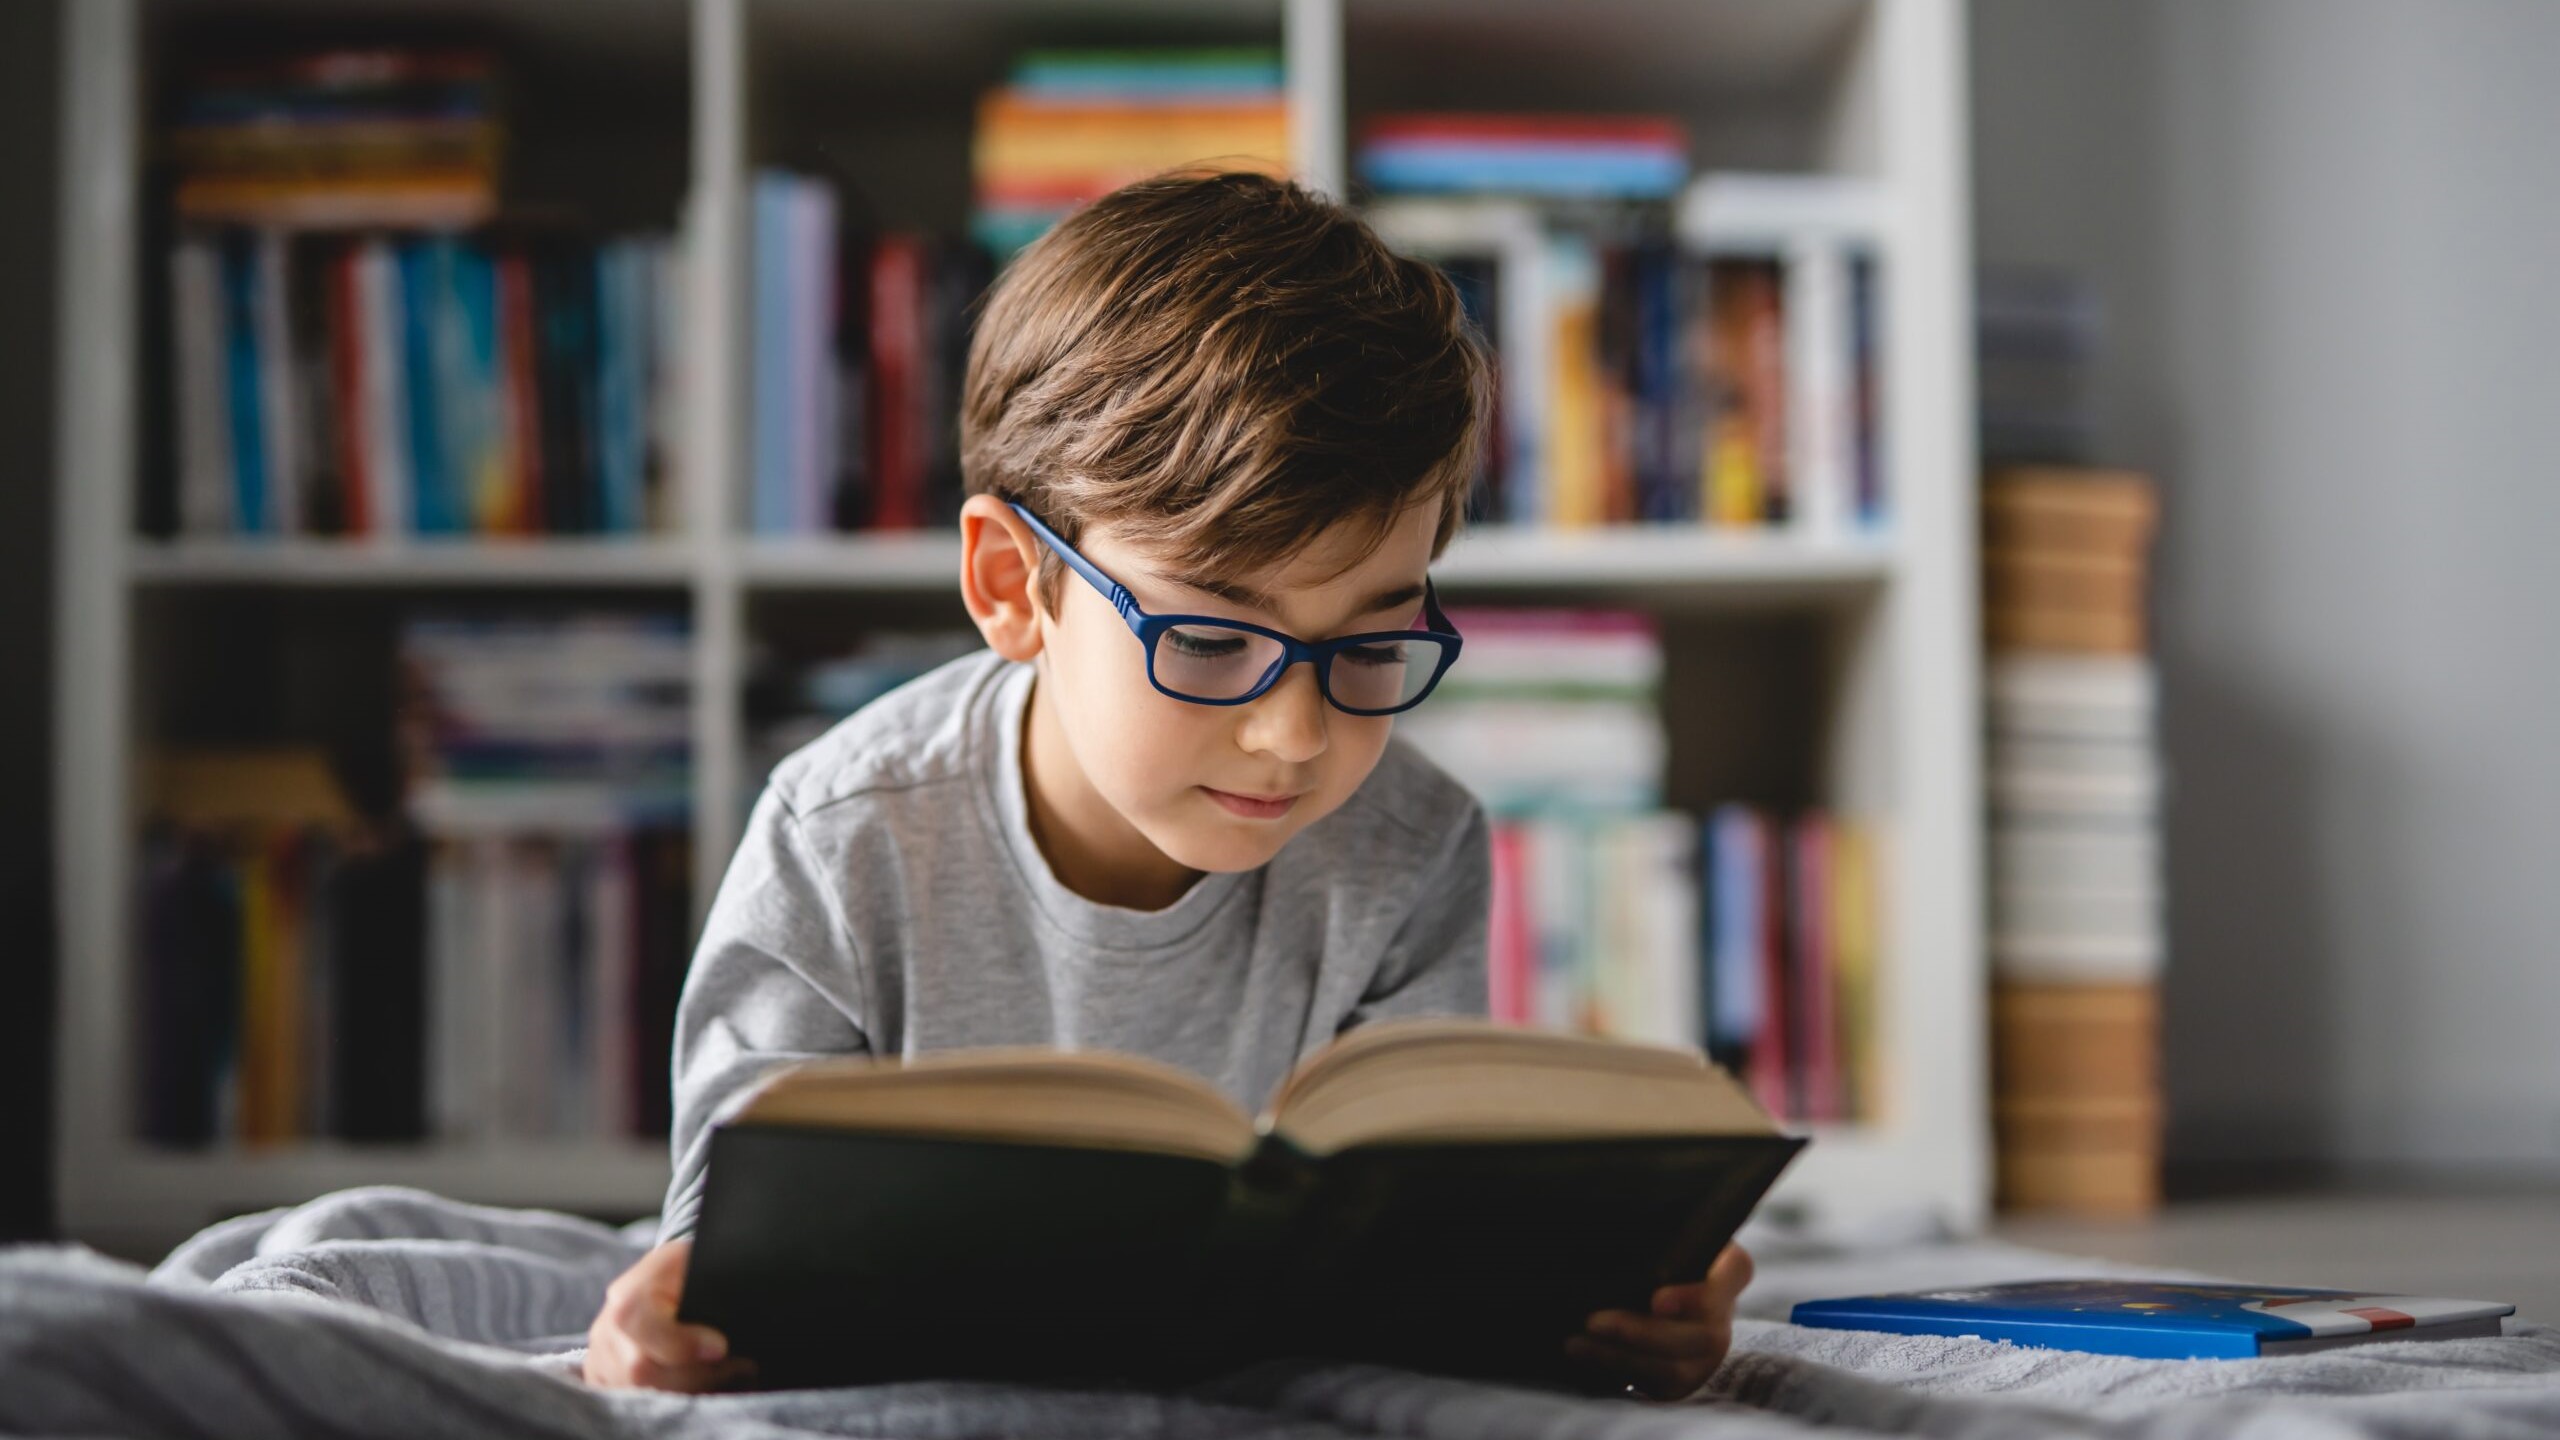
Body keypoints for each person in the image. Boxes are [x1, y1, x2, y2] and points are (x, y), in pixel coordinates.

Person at [581, 169, 1752, 1397]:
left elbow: (1429, 1238)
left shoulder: (1413, 845)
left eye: (1367, 645)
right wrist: (671, 1324)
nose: (1293, 734)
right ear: (1008, 585)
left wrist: (1618, 1309)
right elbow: (716, 1259)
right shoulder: (840, 841)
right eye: (1206, 641)